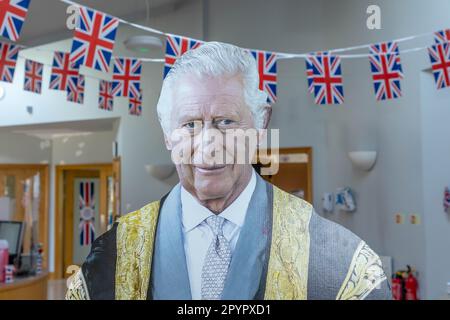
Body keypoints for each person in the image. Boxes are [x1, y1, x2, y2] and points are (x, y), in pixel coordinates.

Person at [66, 42, 391, 300]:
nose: (208, 145)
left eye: (226, 122)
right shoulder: (109, 261)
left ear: (260, 125)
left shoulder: (344, 270)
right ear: (167, 134)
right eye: (190, 125)